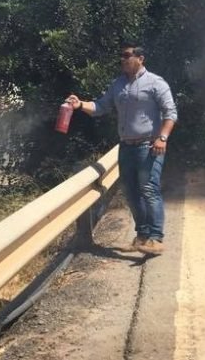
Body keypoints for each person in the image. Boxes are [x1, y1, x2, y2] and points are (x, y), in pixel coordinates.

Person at [66, 44, 177, 255]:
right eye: (121, 57)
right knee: (131, 193)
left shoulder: (155, 82)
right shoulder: (118, 84)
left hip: (149, 145)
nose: (122, 60)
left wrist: (162, 137)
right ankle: (142, 236)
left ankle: (156, 238)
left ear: (140, 58)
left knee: (149, 190)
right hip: (126, 146)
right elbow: (101, 107)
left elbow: (170, 113)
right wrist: (80, 104)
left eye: (127, 56)